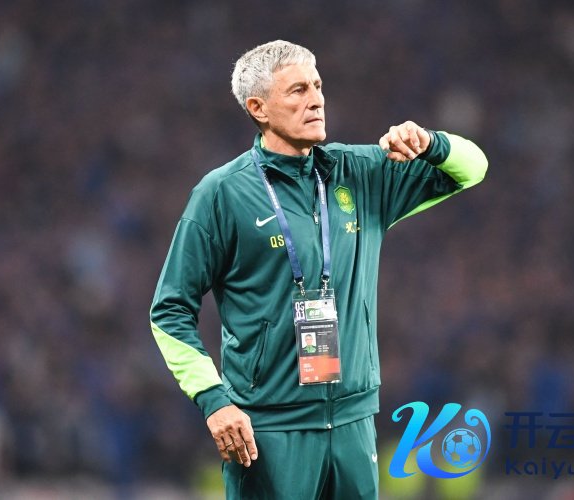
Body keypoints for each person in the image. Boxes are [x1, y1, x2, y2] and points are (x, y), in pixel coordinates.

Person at [150, 40, 487, 499]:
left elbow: (473, 168)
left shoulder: (360, 174)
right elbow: (169, 310)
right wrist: (214, 401)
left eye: (318, 85)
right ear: (258, 108)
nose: (316, 99)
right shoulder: (221, 194)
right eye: (298, 90)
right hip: (269, 429)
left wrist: (430, 142)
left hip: (353, 421)